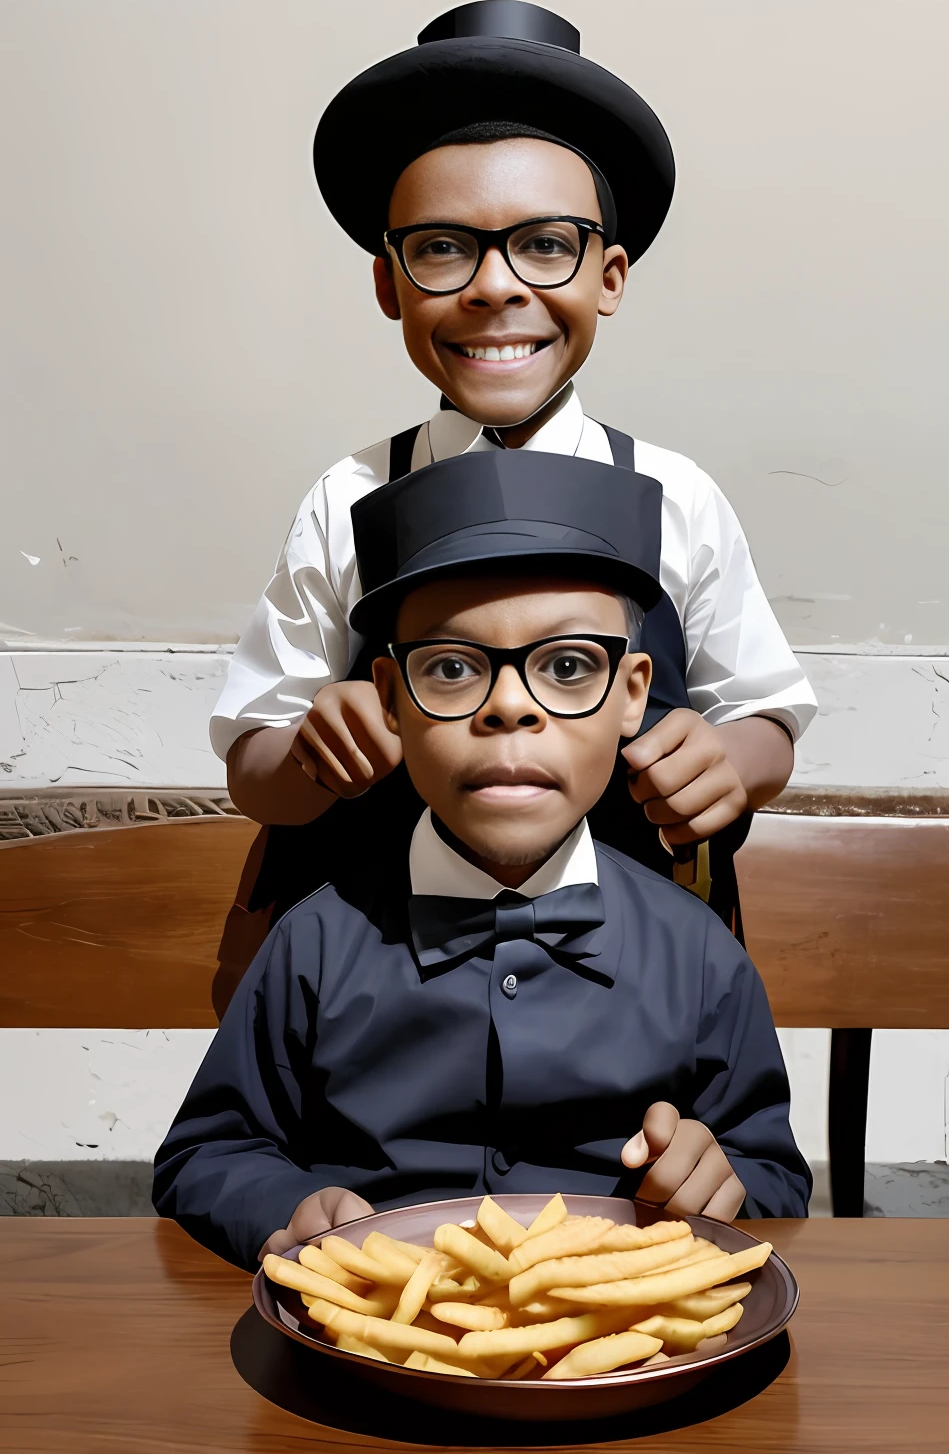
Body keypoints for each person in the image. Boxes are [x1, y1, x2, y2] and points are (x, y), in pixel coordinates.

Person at [211, 0, 817, 967]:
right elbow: (257, 764)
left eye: (543, 244)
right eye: (444, 248)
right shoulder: (347, 494)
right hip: (379, 967)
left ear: (608, 276)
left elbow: (763, 711)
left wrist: (730, 759)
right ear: (389, 285)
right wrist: (311, 756)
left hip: (629, 965)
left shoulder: (676, 492)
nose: (495, 285)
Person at [155, 450, 811, 1271]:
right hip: (355, 1357)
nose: (508, 706)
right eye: (454, 668)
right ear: (391, 698)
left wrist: (721, 1183)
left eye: (568, 667)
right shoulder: (312, 941)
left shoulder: (701, 952)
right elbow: (205, 1158)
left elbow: (772, 1177)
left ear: (634, 693)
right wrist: (285, 1208)